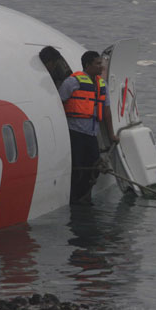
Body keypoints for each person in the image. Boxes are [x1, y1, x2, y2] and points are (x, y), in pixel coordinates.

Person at [59, 50, 119, 205]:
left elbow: (106, 111)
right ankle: (75, 198)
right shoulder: (72, 83)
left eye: (102, 63)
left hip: (91, 133)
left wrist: (111, 134)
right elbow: (59, 103)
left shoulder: (101, 84)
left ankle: (83, 195)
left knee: (94, 166)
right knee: (78, 167)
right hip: (76, 132)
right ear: (88, 65)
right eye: (98, 64)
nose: (102, 67)